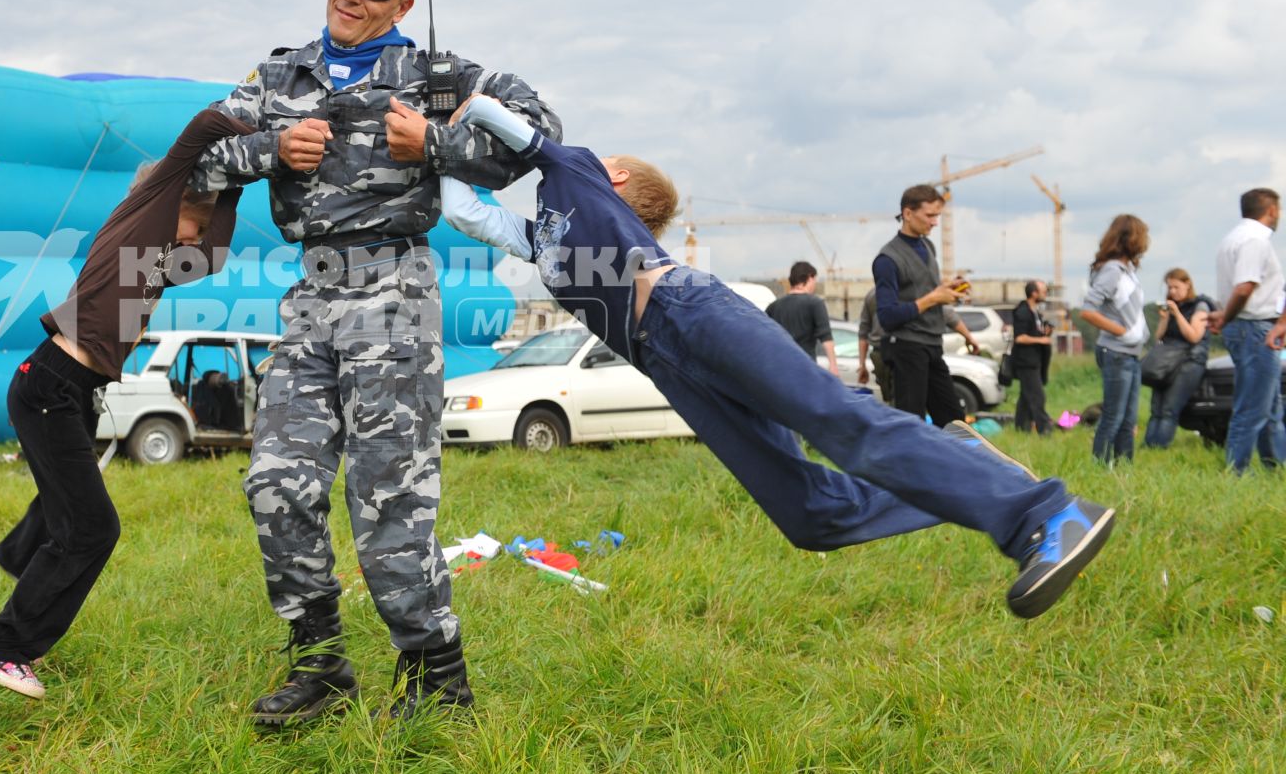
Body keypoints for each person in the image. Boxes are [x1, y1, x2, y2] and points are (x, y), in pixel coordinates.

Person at [439, 94, 1116, 620]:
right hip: (669, 361)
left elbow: (509, 126)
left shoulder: (577, 172)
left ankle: (1045, 513)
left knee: (840, 423)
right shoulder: (550, 238)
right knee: (808, 515)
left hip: (693, 313)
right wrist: (434, 160)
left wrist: (452, 114)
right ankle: (968, 470)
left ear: (612, 177)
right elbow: (470, 215)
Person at [191, 0, 561, 725]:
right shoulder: (281, 73)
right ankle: (321, 670)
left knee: (389, 496)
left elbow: (538, 133)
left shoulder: (436, 75)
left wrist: (434, 140)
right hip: (312, 292)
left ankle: (437, 679)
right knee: (274, 486)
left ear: (403, 1)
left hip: (393, 287)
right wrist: (271, 148)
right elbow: (199, 154)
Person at [0, 110, 253, 700]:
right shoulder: (137, 226)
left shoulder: (159, 261)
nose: (195, 243)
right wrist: (260, 129)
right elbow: (201, 129)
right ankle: (3, 644)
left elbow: (214, 259)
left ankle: (20, 556)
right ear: (167, 204)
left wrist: (241, 183)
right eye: (194, 225)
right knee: (94, 529)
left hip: (72, 389)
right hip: (50, 383)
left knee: (63, 501)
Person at [871, 186, 979, 423]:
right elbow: (887, 316)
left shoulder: (927, 247)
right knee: (911, 423)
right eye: (930, 216)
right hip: (906, 348)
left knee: (955, 422)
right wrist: (934, 298)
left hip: (932, 344)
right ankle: (904, 461)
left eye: (937, 216)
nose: (935, 223)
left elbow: (926, 291)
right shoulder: (887, 259)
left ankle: (965, 460)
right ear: (908, 214)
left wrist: (948, 289)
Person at [1205, 188, 1286, 472]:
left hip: (1245, 325)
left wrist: (1225, 315)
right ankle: (1236, 470)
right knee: (1253, 406)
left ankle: (1276, 465)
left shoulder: (1233, 239)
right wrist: (1227, 317)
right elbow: (1245, 287)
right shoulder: (1256, 241)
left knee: (1270, 404)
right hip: (1255, 328)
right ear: (1271, 210)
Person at [1077, 214, 1150, 465]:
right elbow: (1088, 310)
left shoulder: (1127, 271)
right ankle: (1100, 466)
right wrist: (1121, 331)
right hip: (1116, 352)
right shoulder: (1112, 271)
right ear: (1131, 238)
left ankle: (1123, 469)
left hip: (1130, 353)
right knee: (1114, 416)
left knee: (1128, 419)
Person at [1143, 269, 1216, 450]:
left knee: (1169, 408)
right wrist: (1166, 317)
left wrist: (1177, 314)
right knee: (1156, 407)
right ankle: (1149, 445)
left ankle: (1159, 447)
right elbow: (1159, 336)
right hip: (1167, 361)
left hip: (1189, 362)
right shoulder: (1173, 306)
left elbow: (1193, 336)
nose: (1173, 291)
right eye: (1169, 287)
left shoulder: (1200, 306)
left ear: (1187, 284)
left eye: (1176, 286)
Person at [766, 261, 837, 375]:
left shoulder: (774, 307)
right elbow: (826, 338)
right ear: (809, 277)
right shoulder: (815, 303)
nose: (815, 284)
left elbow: (766, 338)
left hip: (780, 368)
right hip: (806, 368)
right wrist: (833, 366)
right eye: (815, 280)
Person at [1009, 281, 1054, 436]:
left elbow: (1033, 333)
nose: (1046, 293)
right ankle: (1045, 429)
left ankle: (1021, 429)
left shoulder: (1035, 312)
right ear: (1034, 293)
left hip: (1035, 360)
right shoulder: (1022, 312)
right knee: (1037, 396)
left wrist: (1045, 333)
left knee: (1025, 397)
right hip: (1025, 362)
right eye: (1043, 291)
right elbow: (1020, 338)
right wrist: (1041, 340)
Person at [854, 287, 892, 400]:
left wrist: (862, 365)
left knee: (890, 398)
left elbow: (863, 333)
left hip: (880, 353)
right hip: (897, 351)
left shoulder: (872, 295)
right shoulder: (906, 290)